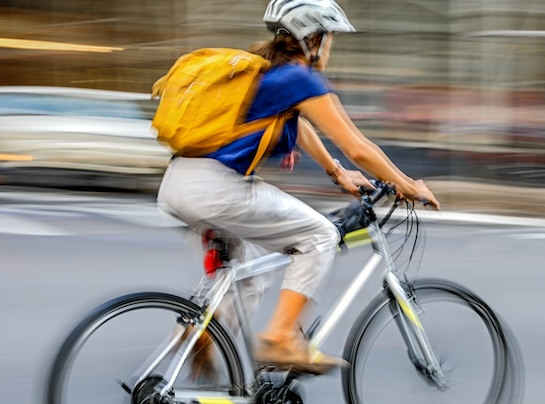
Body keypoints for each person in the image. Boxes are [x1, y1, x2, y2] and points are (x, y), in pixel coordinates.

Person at [157, 0, 439, 376]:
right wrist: (407, 185)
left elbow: (302, 126)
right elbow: (357, 146)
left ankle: (198, 335)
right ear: (314, 37)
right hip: (216, 190)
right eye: (331, 36)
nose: (331, 45)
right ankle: (281, 337)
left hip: (179, 184)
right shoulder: (299, 77)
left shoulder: (271, 74)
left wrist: (337, 172)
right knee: (320, 236)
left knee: (251, 275)